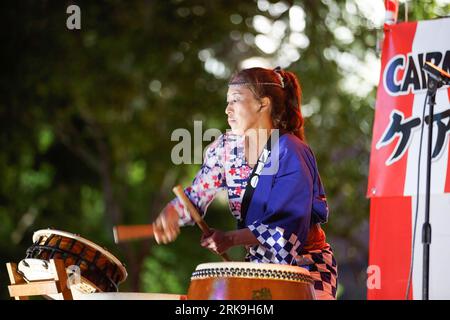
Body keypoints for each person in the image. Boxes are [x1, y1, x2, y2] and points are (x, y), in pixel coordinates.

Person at [152, 67, 338, 300]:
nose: (227, 110)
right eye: (227, 101)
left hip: (306, 267)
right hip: (258, 268)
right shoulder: (226, 149)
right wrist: (173, 213)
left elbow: (286, 225)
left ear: (263, 104)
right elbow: (196, 194)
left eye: (236, 100)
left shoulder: (291, 151)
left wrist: (230, 239)